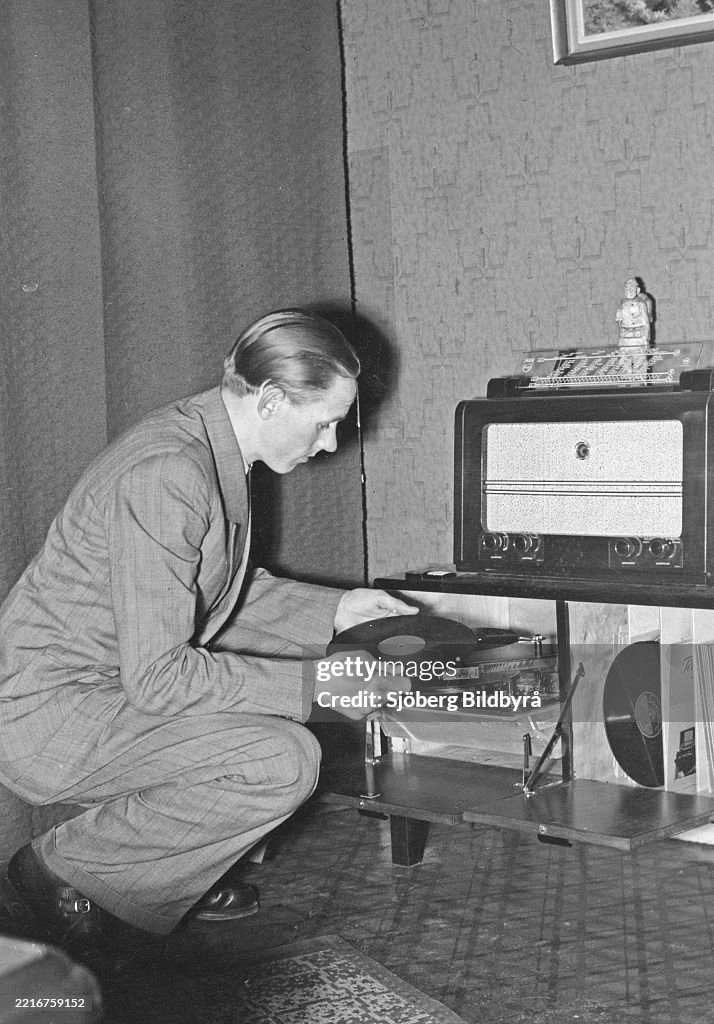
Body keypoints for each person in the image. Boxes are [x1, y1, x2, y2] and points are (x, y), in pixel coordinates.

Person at [0, 309, 415, 954]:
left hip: (102, 690)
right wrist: (326, 683)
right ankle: (62, 870)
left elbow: (207, 595)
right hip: (54, 709)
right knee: (281, 761)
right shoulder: (170, 472)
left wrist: (337, 610)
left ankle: (148, 875)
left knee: (276, 748)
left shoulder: (210, 446)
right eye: (326, 422)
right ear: (273, 401)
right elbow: (162, 677)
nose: (331, 444)